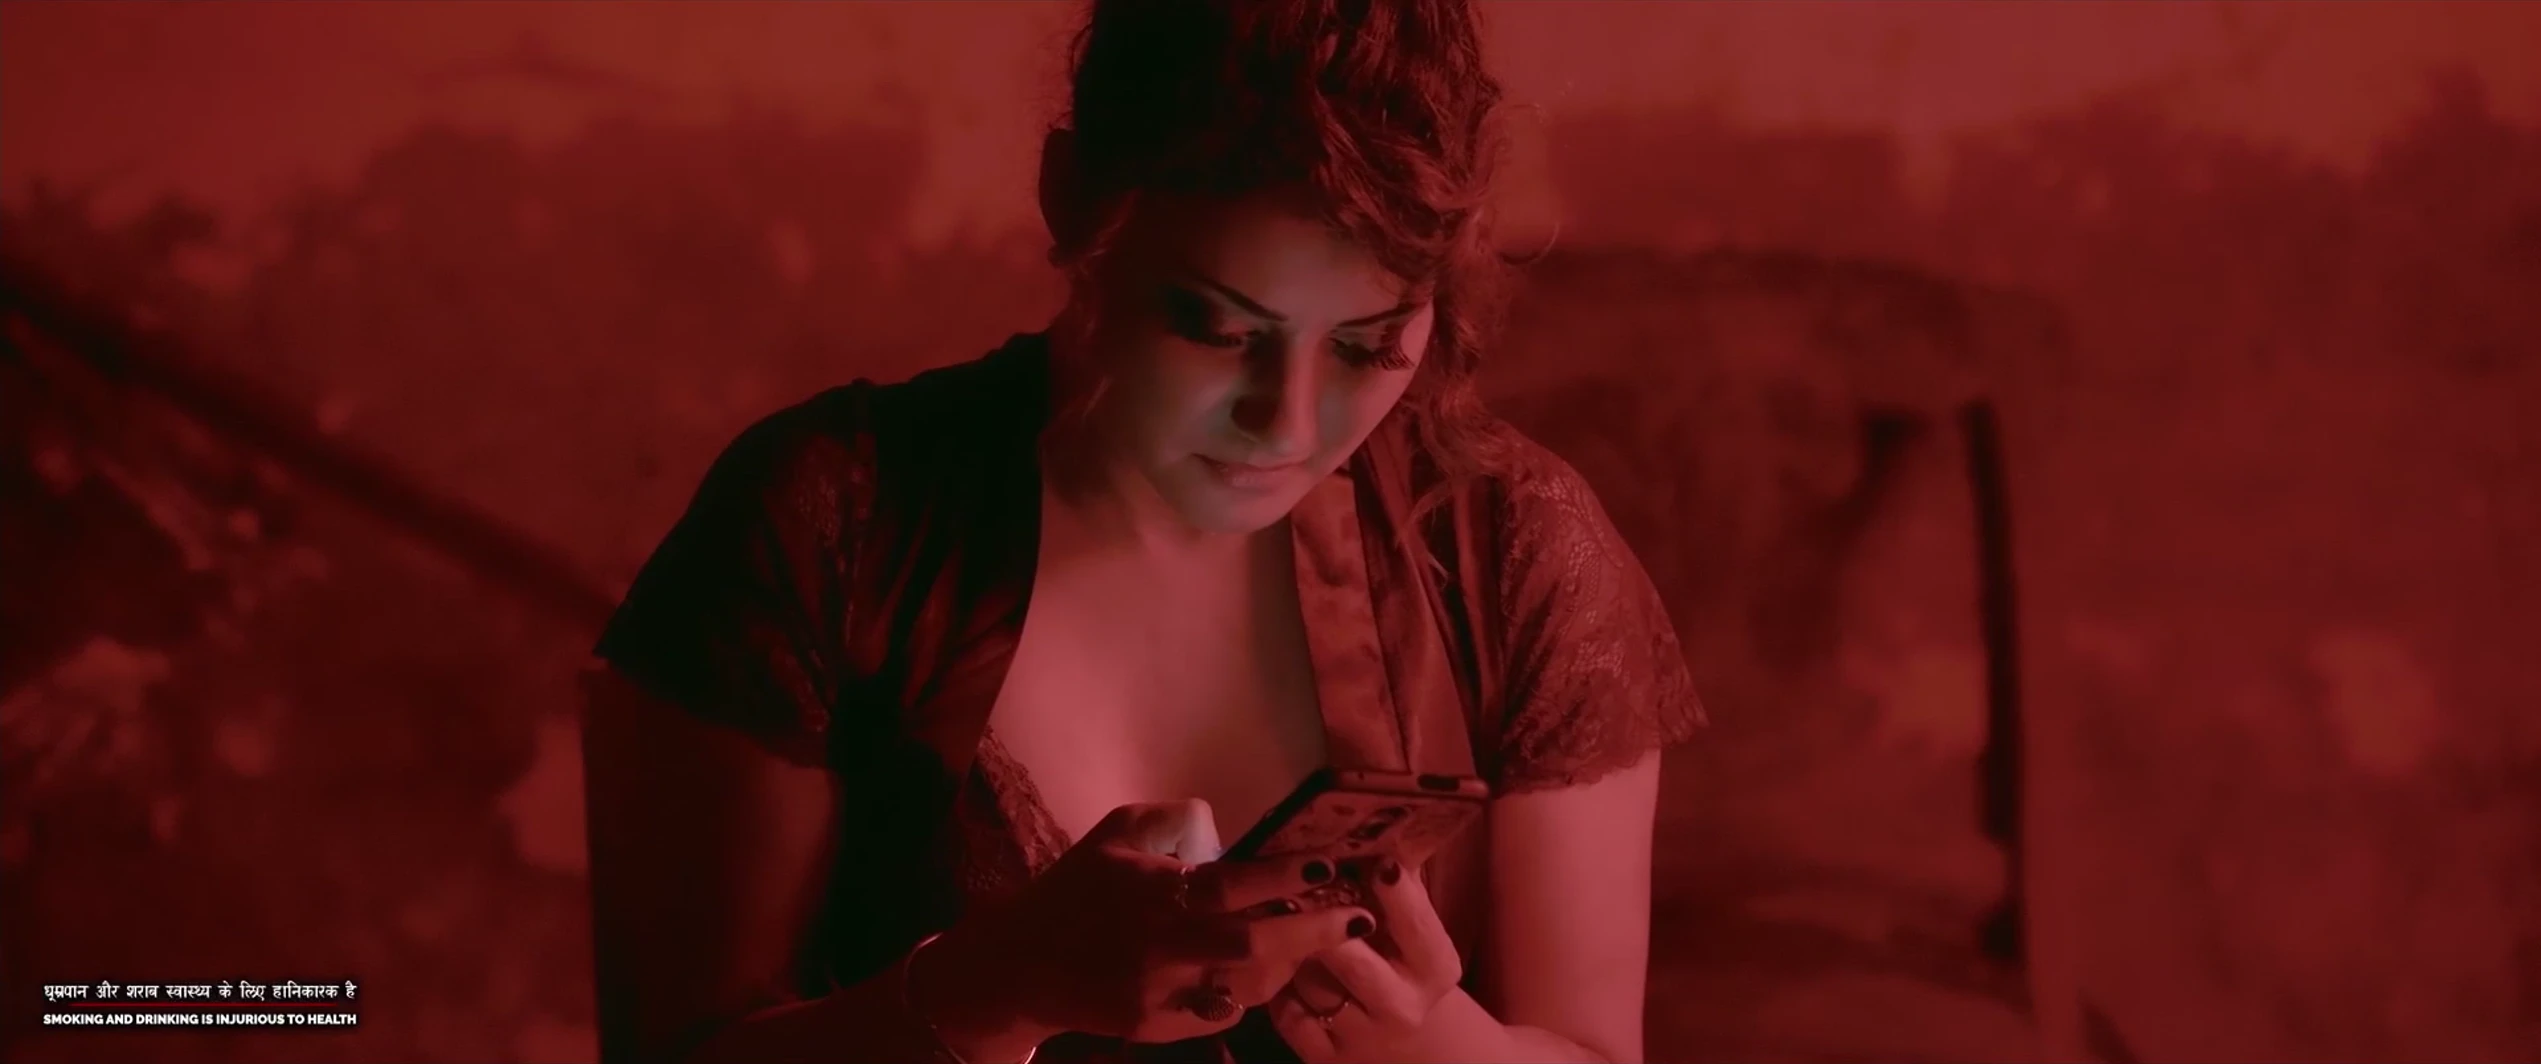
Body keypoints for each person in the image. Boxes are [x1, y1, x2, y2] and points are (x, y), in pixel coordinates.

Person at [578, 0, 1704, 1061]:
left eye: (1367, 346)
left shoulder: (1512, 546)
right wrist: (995, 987)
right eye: (1217, 329)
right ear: (1073, 204)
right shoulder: (832, 520)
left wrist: (1445, 1051)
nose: (1287, 424)